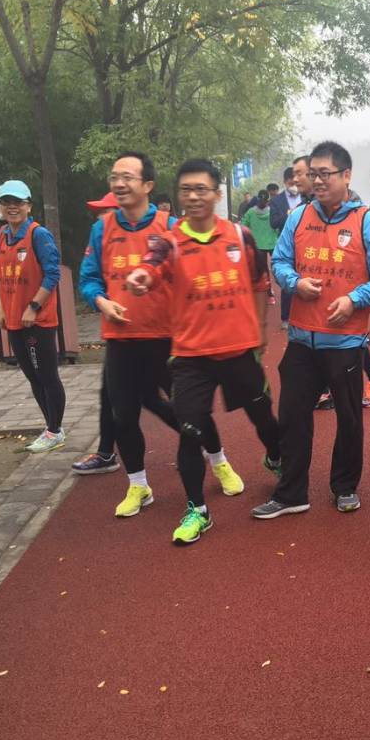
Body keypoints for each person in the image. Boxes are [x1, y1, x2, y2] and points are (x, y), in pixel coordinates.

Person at [125, 158, 282, 544]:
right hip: (191, 358)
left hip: (239, 352)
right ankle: (197, 509)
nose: (193, 197)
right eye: (186, 190)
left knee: (265, 422)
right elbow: (151, 264)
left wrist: (259, 334)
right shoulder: (170, 242)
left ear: (216, 193)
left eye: (201, 189)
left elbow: (260, 283)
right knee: (190, 433)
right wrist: (141, 276)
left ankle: (277, 458)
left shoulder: (241, 236)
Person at [80, 152, 241, 518]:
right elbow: (88, 278)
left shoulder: (171, 227)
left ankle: (219, 461)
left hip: (170, 342)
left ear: (148, 185)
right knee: (123, 417)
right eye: (114, 177)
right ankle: (138, 485)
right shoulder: (103, 229)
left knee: (193, 412)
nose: (119, 183)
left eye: (127, 177)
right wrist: (101, 301)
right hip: (121, 342)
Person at [253, 141, 370, 519]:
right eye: (311, 174)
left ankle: (344, 486)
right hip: (302, 338)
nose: (316, 181)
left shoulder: (367, 222)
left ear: (346, 175)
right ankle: (291, 493)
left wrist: (353, 300)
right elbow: (280, 261)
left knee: (348, 418)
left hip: (345, 341)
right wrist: (295, 282)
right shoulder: (299, 217)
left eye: (324, 174)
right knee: (292, 417)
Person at [0, 180, 67, 453]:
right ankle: (51, 427)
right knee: (33, 377)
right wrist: (2, 308)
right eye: (6, 202)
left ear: (29, 207)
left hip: (38, 320)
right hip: (13, 319)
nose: (12, 207)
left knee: (47, 376)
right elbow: (1, 273)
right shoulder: (1, 234)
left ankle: (54, 430)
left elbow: (53, 274)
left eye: (18, 202)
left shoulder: (39, 235)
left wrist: (34, 306)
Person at [72, 191, 122, 475]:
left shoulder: (158, 230)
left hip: (155, 333)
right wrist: (101, 301)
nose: (99, 217)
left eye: (105, 211)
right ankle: (105, 453)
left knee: (158, 396)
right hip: (118, 332)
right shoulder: (100, 235)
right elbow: (89, 279)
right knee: (109, 393)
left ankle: (203, 440)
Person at [271, 159, 312, 330]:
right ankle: (286, 317)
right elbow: (273, 222)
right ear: (285, 182)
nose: (295, 182)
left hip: (309, 247)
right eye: (291, 180)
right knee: (290, 280)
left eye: (298, 175)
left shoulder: (308, 199)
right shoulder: (277, 201)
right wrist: (288, 215)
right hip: (288, 242)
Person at [242, 190, 279, 305]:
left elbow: (243, 226)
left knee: (264, 271)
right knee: (278, 266)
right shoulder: (272, 211)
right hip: (273, 243)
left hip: (258, 245)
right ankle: (279, 290)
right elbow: (277, 225)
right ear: (268, 201)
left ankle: (270, 294)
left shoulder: (251, 212)